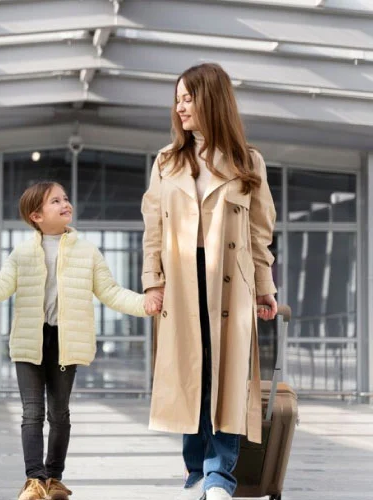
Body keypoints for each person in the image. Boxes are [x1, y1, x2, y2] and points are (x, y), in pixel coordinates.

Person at [0, 181, 157, 500]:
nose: (66, 203)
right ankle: (34, 480)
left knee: (59, 413)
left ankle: (54, 479)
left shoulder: (87, 251)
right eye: (55, 201)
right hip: (29, 342)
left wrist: (145, 305)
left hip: (67, 341)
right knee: (31, 412)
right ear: (36, 215)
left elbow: (111, 292)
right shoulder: (21, 253)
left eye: (65, 198)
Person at [140, 63, 278, 500]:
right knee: (190, 371)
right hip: (180, 282)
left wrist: (264, 288)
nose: (180, 106)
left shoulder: (247, 161)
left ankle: (220, 475)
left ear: (212, 100)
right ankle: (196, 470)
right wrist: (152, 283)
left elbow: (260, 232)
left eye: (188, 97)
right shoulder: (166, 161)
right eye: (177, 98)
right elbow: (153, 231)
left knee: (228, 374)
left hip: (230, 283)